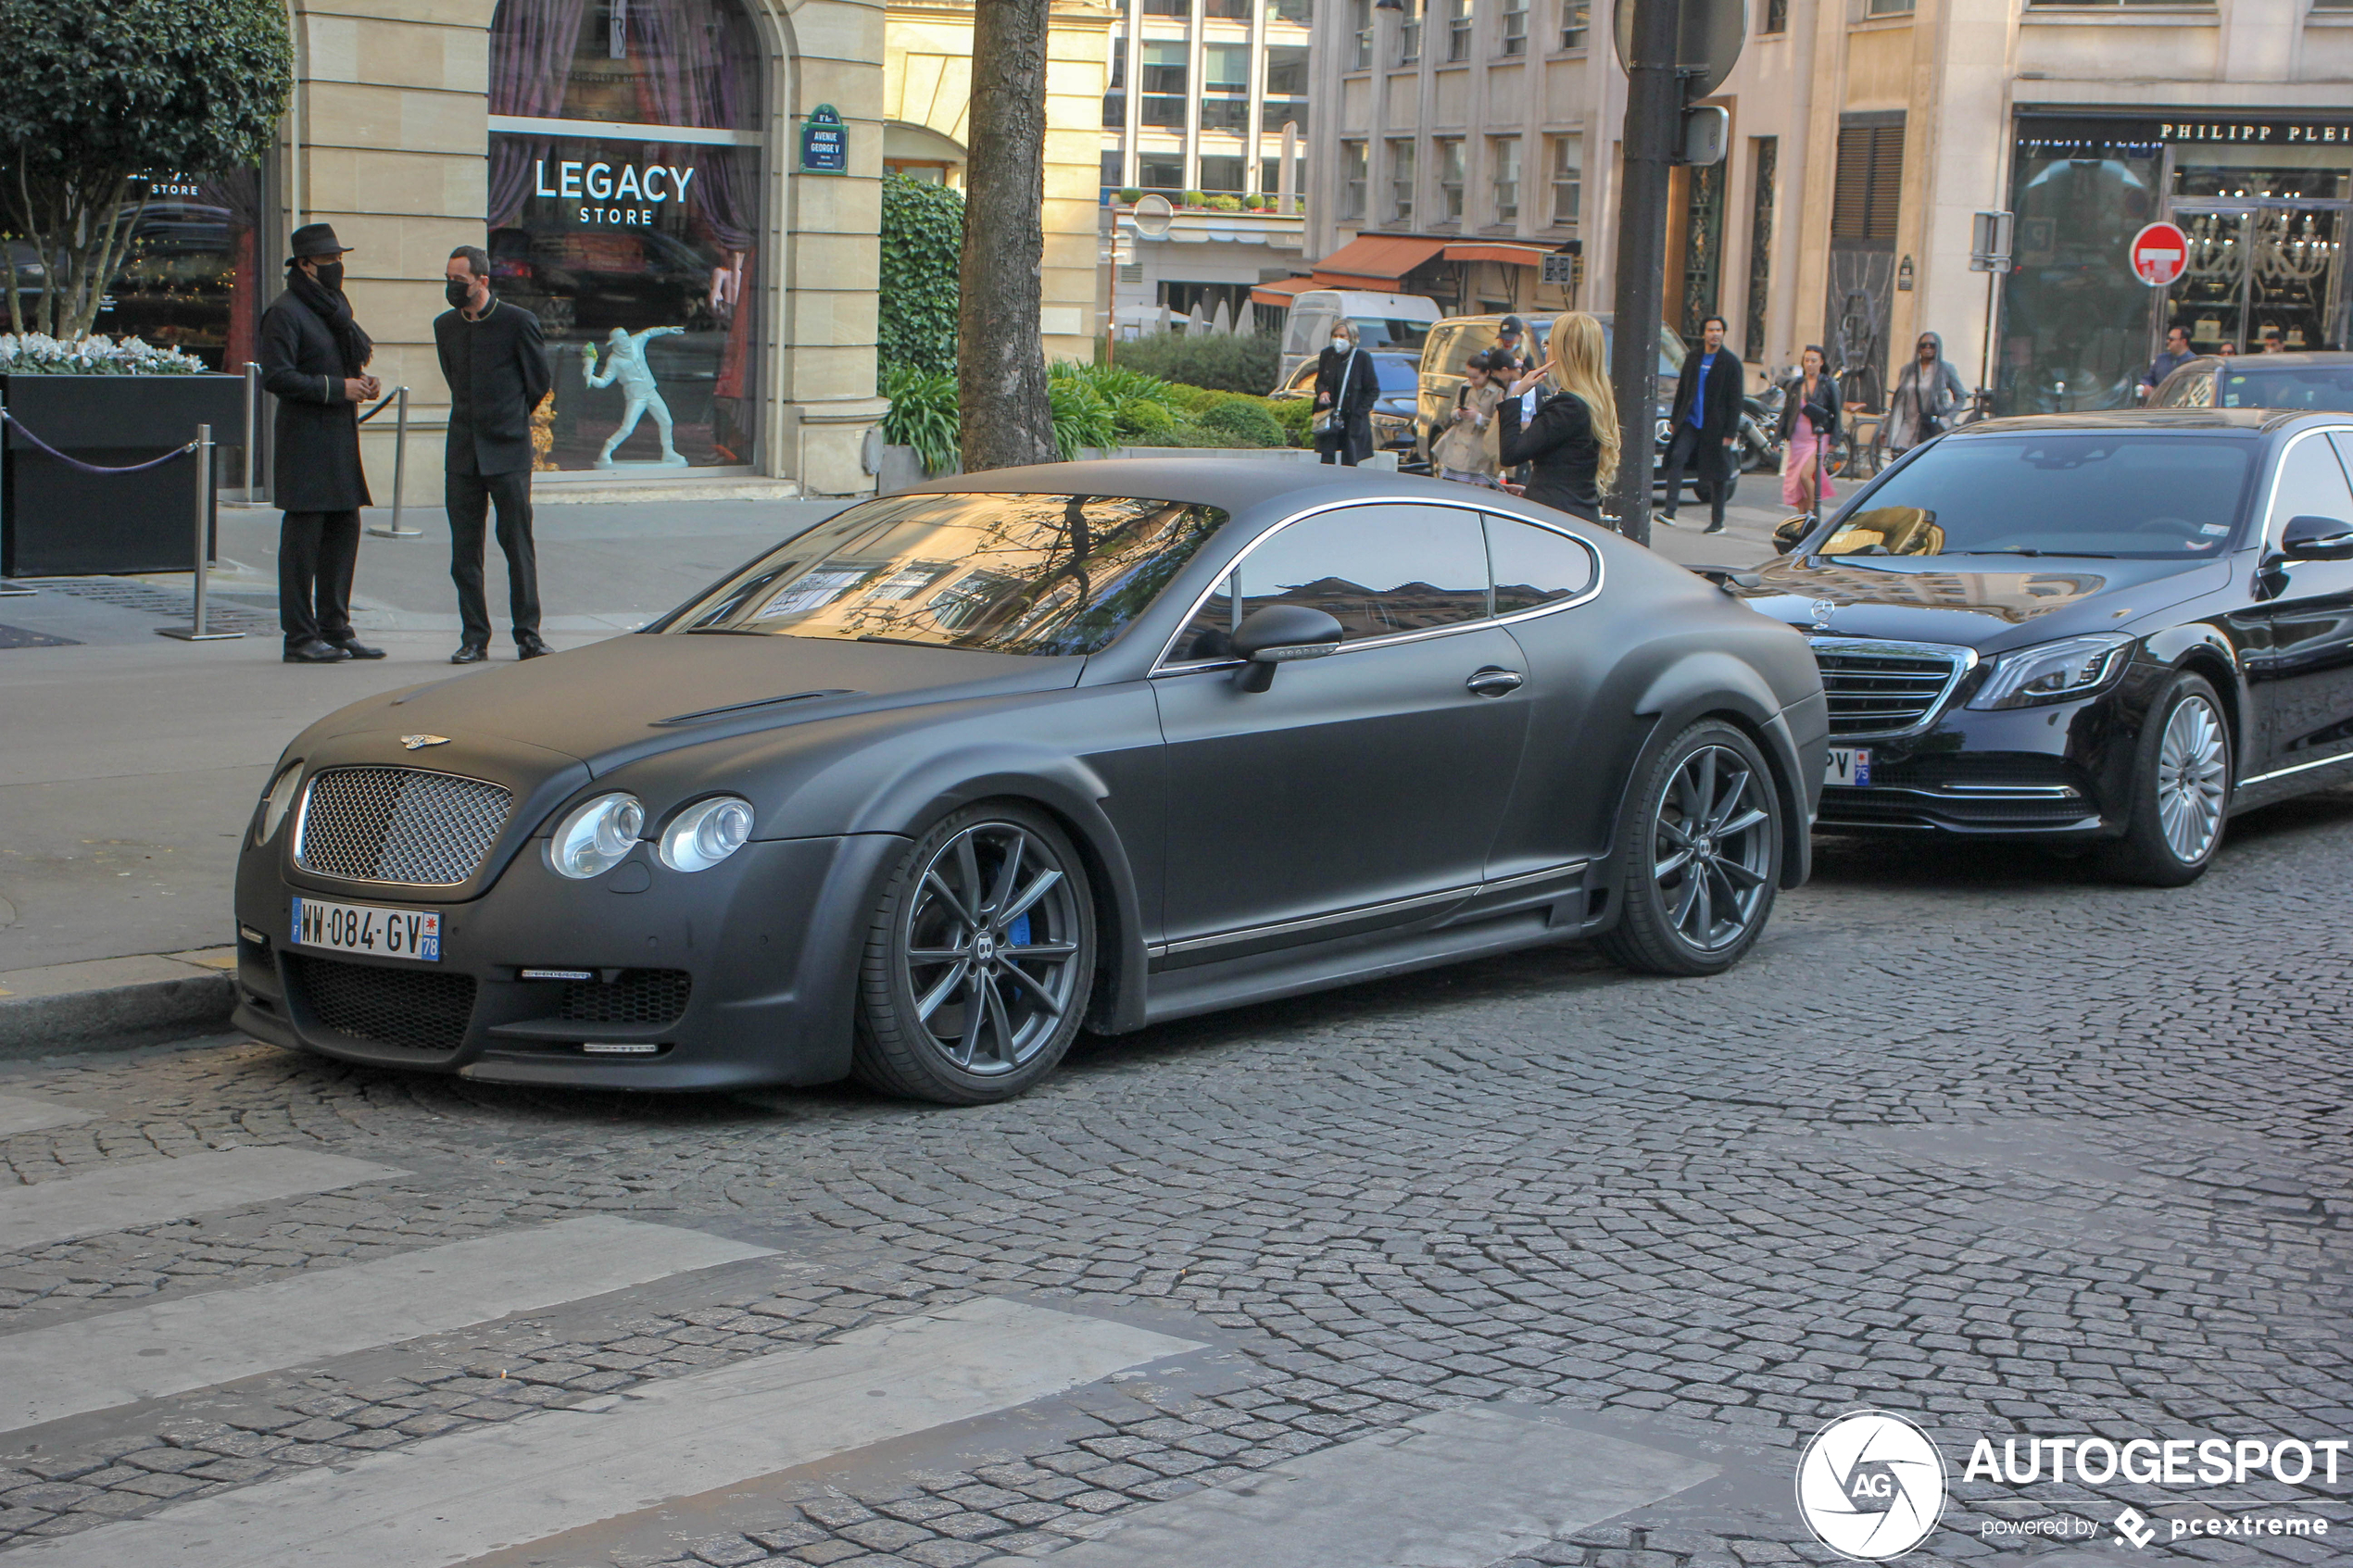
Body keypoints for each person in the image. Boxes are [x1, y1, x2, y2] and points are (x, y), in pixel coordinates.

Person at [258, 223, 383, 664]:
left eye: (338, 258)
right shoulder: (285, 311)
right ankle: (299, 637)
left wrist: (362, 383)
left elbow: (345, 360)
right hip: (305, 442)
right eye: (328, 260)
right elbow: (276, 376)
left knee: (343, 532)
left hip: (338, 440)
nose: (337, 267)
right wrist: (337, 388)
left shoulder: (333, 307)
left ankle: (336, 627)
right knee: (303, 544)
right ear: (306, 264)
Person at [436, 245, 554, 664]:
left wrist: (507, 417)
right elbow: (454, 378)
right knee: (464, 553)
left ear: (482, 281)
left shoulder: (518, 322)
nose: (452, 287)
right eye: (448, 278)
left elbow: (538, 382)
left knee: (517, 546)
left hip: (507, 451)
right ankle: (474, 637)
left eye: (459, 281)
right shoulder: (445, 327)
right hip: (463, 453)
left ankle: (528, 635)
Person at [1495, 311, 1620, 525]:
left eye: (1548, 343)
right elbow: (1569, 470)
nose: (1546, 350)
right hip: (1572, 515)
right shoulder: (1592, 400)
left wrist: (1515, 395)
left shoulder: (1568, 405)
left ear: (1563, 352)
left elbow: (1510, 454)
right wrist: (1535, 490)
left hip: (1559, 522)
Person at [1658, 314, 1742, 533]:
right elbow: (1683, 391)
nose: (1715, 334)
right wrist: (1675, 420)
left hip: (1716, 426)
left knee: (1717, 473)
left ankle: (1717, 521)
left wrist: (1730, 432)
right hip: (1690, 421)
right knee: (1676, 457)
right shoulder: (1694, 358)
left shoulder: (1731, 363)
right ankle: (1670, 511)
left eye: (1718, 330)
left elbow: (1736, 400)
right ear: (1703, 333)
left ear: (1723, 334)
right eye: (1711, 330)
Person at [1777, 345, 1841, 514]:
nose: (1810, 364)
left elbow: (1836, 413)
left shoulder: (1828, 385)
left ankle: (1814, 508)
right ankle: (1802, 519)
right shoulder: (1796, 385)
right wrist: (1777, 436)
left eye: (1814, 361)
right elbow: (1787, 412)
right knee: (1797, 481)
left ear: (1821, 363)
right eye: (1807, 360)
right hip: (1798, 438)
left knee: (1805, 475)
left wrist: (1835, 439)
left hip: (1818, 437)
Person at [1885, 331, 1967, 456]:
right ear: (1918, 348)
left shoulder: (1945, 369)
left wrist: (1948, 418)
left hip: (1931, 427)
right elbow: (1898, 401)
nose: (1927, 348)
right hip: (1907, 426)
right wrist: (1887, 428)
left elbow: (1961, 396)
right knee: (1900, 461)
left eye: (1932, 345)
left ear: (1938, 347)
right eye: (1923, 345)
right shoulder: (1907, 370)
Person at [1431, 350, 1504, 486]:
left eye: (1476, 377)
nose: (1472, 381)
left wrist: (1478, 417)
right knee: (1458, 487)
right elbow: (1453, 410)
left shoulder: (1497, 392)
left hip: (1481, 447)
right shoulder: (1465, 387)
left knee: (1480, 488)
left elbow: (1498, 423)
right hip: (1459, 445)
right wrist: (1459, 413)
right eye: (1469, 377)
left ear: (1486, 373)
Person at [1312, 320, 1378, 465]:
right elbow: (1319, 381)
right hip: (1330, 415)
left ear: (1352, 338)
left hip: (1352, 418)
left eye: (1342, 336)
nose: (1338, 339)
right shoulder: (1327, 354)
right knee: (1327, 458)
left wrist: (1359, 412)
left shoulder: (1362, 358)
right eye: (1335, 335)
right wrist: (1322, 392)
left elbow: (1373, 390)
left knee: (1350, 460)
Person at [2138, 324, 2195, 400]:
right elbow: (2149, 378)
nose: (2168, 341)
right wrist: (2146, 385)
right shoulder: (2161, 359)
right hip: (2159, 404)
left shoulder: (2194, 362)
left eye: (2171, 339)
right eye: (2168, 338)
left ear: (2183, 341)